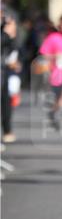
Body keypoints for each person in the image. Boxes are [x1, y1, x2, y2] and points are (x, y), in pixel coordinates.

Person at [1, 8, 22, 144]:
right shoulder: (4, 33)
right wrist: (6, 34)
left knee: (6, 102)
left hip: (5, 72)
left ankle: (7, 130)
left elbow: (14, 48)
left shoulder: (5, 30)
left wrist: (11, 35)